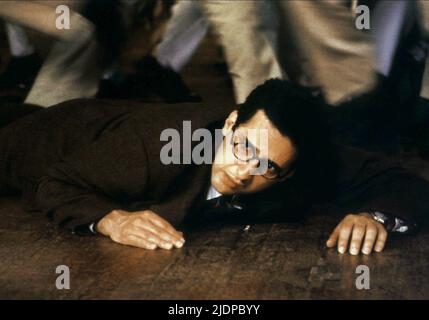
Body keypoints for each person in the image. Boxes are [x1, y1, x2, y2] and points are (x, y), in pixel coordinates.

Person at [0, 80, 428, 255]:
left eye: (267, 168)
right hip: (39, 140)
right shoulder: (161, 148)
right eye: (242, 147)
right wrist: (110, 220)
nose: (244, 172)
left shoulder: (298, 155)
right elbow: (54, 182)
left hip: (113, 122)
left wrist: (374, 217)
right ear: (230, 123)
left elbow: (402, 180)